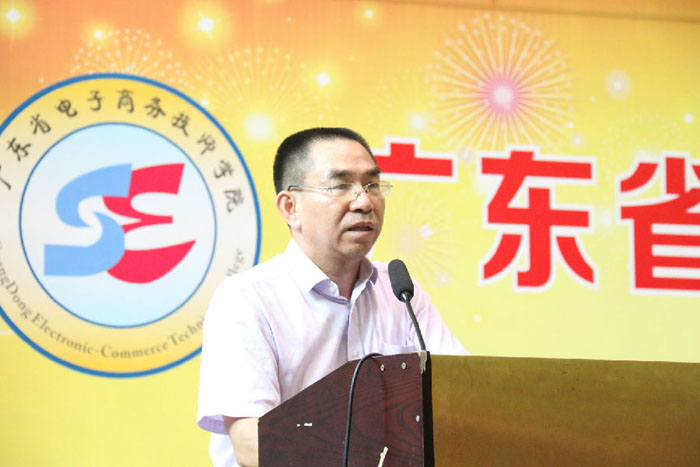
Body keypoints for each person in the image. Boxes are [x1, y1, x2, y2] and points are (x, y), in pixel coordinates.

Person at [197, 127, 466, 466]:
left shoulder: (401, 292)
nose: (364, 202)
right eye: (340, 186)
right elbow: (252, 444)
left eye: (372, 185)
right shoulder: (247, 299)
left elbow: (460, 398)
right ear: (291, 207)